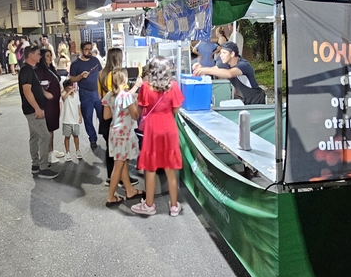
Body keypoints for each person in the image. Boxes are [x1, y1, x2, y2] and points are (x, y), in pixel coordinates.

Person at [131, 56, 185, 217]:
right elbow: (176, 110)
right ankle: (174, 206)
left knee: (150, 167)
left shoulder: (146, 87)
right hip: (169, 127)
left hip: (152, 129)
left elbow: (140, 111)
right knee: (170, 168)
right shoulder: (173, 86)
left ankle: (149, 205)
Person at [102, 68, 146, 207]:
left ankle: (130, 190)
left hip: (114, 133)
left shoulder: (109, 95)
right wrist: (136, 103)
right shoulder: (126, 96)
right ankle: (110, 197)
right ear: (125, 79)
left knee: (123, 162)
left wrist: (118, 110)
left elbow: (106, 116)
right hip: (124, 134)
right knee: (118, 166)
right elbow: (135, 115)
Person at [19, 45, 59, 179]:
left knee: (35, 137)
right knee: (45, 136)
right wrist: (37, 108)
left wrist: (44, 94)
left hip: (32, 109)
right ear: (31, 55)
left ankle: (36, 165)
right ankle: (43, 167)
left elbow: (33, 88)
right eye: (38, 54)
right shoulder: (26, 70)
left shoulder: (30, 69)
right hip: (32, 110)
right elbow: (27, 91)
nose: (40, 56)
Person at [192, 41, 266, 105]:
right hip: (245, 99)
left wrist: (205, 70)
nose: (221, 55)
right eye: (221, 53)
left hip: (257, 99)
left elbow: (229, 74)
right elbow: (214, 69)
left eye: (224, 53)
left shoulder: (243, 65)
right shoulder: (226, 63)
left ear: (232, 54)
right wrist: (202, 68)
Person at [69, 41, 103, 149]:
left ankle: (106, 136)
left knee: (102, 116)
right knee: (87, 118)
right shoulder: (76, 64)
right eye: (86, 49)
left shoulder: (95, 60)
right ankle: (92, 138)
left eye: (90, 49)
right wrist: (80, 76)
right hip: (85, 94)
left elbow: (101, 74)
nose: (89, 51)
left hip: (97, 92)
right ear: (81, 50)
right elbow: (72, 78)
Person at [37, 48, 63, 164]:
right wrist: (45, 92)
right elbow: (37, 85)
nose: (50, 58)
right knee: (48, 128)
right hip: (47, 103)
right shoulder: (39, 70)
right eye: (47, 56)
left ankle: (51, 149)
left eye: (50, 55)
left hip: (55, 102)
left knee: (52, 127)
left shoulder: (51, 68)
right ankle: (49, 153)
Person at [60, 79, 82, 161]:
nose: (71, 90)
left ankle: (77, 150)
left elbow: (78, 106)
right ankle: (67, 152)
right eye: (68, 88)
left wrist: (80, 116)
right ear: (65, 89)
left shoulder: (76, 95)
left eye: (71, 87)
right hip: (67, 120)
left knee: (76, 136)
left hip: (75, 120)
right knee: (67, 137)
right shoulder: (65, 95)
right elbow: (63, 98)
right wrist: (69, 91)